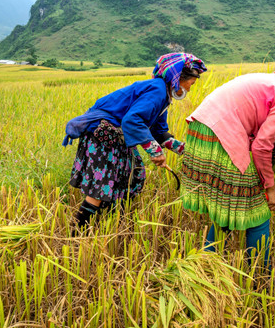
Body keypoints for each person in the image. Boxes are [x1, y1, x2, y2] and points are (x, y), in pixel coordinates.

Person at [181, 59, 275, 268]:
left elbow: (259, 117)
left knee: (228, 205)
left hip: (203, 130)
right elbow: (260, 147)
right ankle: (261, 274)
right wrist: (271, 188)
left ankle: (203, 267)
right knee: (258, 209)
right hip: (221, 135)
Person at [63, 53, 207, 234]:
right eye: (191, 84)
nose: (190, 88)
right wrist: (155, 152)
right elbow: (132, 120)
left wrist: (186, 150)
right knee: (102, 185)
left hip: (116, 135)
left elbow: (158, 131)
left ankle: (107, 222)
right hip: (103, 135)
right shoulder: (158, 90)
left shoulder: (164, 95)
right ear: (178, 78)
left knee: (132, 174)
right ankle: (77, 231)